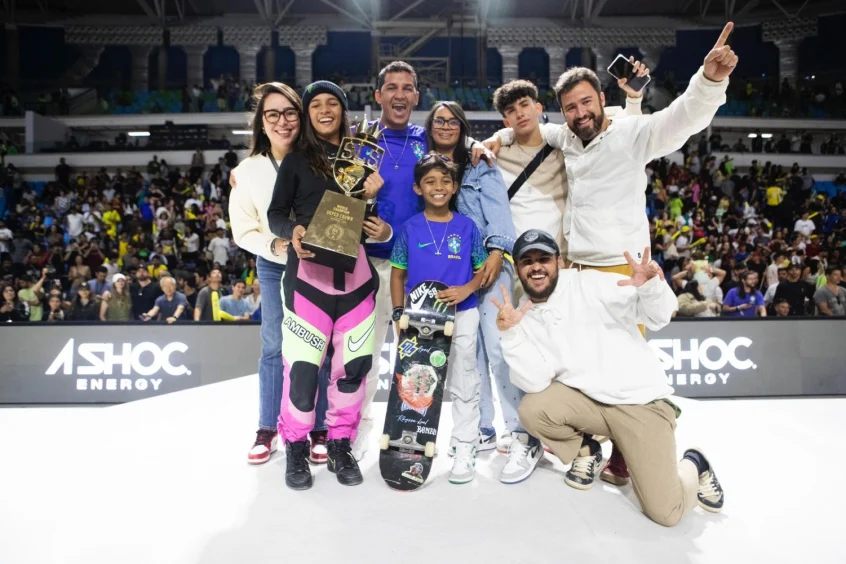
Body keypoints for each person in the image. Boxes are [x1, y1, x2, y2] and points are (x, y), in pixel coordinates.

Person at [487, 22, 737, 485]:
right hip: (577, 273)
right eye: (570, 108)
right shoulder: (565, 138)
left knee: (625, 370)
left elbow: (682, 120)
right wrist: (494, 140)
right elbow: (527, 129)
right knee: (583, 366)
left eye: (586, 102)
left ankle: (635, 449)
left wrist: (709, 82)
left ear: (603, 101)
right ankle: (593, 443)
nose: (579, 112)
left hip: (623, 275)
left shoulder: (632, 134)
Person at [494, 229, 724, 526]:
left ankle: (696, 464)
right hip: (592, 405)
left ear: (559, 262)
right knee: (532, 409)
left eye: (544, 259)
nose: (536, 266)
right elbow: (535, 383)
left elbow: (659, 316)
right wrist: (511, 334)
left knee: (666, 513)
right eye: (528, 260)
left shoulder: (591, 284)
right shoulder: (522, 311)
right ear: (519, 269)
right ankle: (586, 449)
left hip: (640, 404)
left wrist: (651, 287)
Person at [267, 80, 385, 491]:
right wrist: (293, 229)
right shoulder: (296, 161)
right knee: (302, 373)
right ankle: (296, 446)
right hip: (308, 284)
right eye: (315, 103)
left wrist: (376, 201)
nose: (324, 109)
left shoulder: (363, 158)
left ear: (342, 110)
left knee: (352, 371)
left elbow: (370, 224)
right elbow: (276, 214)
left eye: (331, 102)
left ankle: (340, 444)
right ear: (307, 113)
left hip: (356, 284)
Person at [423, 101, 542, 483]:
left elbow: (500, 215)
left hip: (489, 266)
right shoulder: (425, 165)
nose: (445, 126)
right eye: (438, 120)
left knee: (498, 348)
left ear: (462, 126)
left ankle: (521, 430)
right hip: (452, 277)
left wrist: (496, 252)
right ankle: (484, 428)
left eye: (452, 121)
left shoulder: (480, 163)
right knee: (468, 354)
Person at [390, 153, 487, 484]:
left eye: (446, 181)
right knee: (419, 382)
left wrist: (466, 289)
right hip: (420, 317)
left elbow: (480, 271)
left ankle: (464, 445)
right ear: (418, 188)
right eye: (430, 181)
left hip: (464, 312)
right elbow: (397, 275)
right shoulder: (409, 228)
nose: (439, 187)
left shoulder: (467, 226)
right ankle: (413, 445)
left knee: (464, 380)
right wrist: (398, 312)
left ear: (455, 186)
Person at [229, 82, 305, 464]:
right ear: (261, 121)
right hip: (275, 267)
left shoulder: (319, 158)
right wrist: (275, 246)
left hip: (317, 265)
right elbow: (242, 230)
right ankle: (267, 427)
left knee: (316, 348)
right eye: (272, 114)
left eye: (290, 112)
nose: (282, 121)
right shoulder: (247, 171)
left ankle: (318, 428)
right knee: (275, 346)